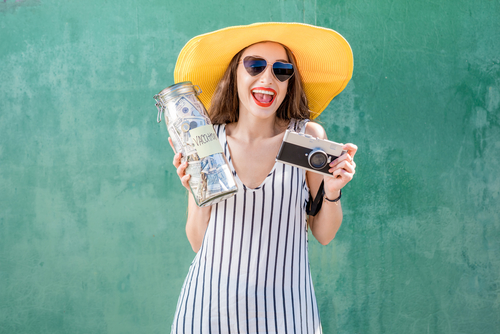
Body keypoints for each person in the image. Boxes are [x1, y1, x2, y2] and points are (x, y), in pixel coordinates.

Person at [168, 22, 357, 334]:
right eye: (254, 65)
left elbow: (324, 233)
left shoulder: (306, 138)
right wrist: (196, 188)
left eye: (281, 70)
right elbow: (198, 241)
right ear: (235, 74)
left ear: (288, 82)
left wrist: (333, 191)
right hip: (207, 313)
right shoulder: (205, 141)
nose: (267, 78)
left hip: (287, 315)